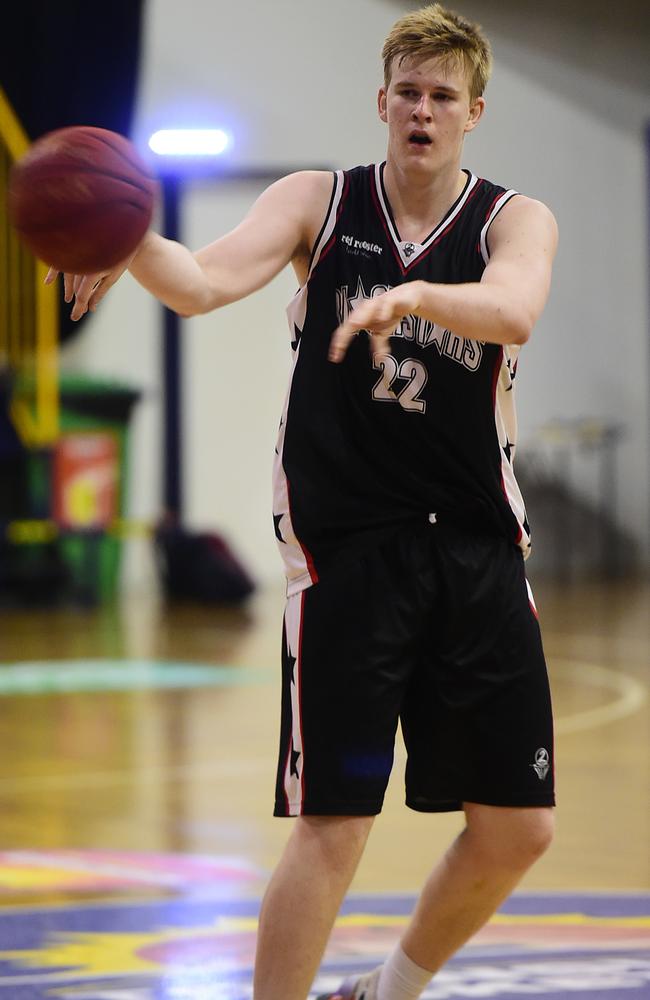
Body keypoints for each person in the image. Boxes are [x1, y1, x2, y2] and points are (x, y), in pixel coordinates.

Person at [50, 5, 558, 999]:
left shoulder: (510, 219)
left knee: (518, 829)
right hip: (348, 560)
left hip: (477, 552)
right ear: (380, 101)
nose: (421, 109)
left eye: (440, 97)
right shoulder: (317, 203)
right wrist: (124, 231)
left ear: (472, 112)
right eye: (405, 92)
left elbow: (516, 310)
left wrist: (412, 300)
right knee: (334, 823)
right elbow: (199, 281)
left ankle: (385, 989)